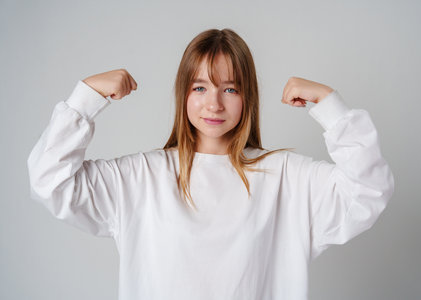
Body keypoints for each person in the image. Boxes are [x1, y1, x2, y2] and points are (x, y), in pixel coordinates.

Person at [27, 28, 395, 300]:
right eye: (200, 87)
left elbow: (368, 191)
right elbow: (51, 181)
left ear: (247, 97)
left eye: (230, 89)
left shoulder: (287, 178)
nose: (214, 104)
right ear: (183, 93)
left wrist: (330, 105)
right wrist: (84, 99)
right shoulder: (141, 177)